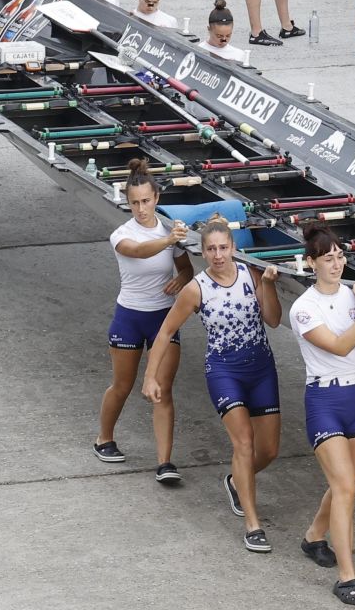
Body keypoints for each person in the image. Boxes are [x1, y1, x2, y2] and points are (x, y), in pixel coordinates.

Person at [145, 218, 285, 539]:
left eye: (223, 248)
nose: (218, 255)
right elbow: (166, 331)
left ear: (234, 248)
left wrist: (269, 285)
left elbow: (274, 320)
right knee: (244, 445)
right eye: (211, 249)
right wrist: (151, 377)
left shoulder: (251, 274)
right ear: (203, 253)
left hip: (261, 369)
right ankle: (253, 525)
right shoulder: (196, 289)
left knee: (269, 451)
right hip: (224, 372)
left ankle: (236, 481)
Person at [289, 228, 355, 605]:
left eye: (340, 255)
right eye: (328, 258)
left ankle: (314, 536)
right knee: (346, 488)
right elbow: (338, 346)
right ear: (311, 262)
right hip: (325, 402)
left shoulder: (352, 295)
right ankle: (347, 577)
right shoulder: (303, 307)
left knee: (342, 486)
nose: (337, 264)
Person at [95, 160, 194, 468]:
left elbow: (186, 267)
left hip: (163, 319)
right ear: (128, 202)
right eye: (135, 202)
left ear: (156, 199)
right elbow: (138, 252)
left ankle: (165, 462)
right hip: (129, 318)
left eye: (146, 201)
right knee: (122, 385)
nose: (141, 208)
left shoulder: (169, 230)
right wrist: (169, 240)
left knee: (163, 390)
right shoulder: (122, 234)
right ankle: (104, 438)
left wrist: (183, 277)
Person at [201, 0, 251, 66]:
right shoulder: (200, 50)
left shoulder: (239, 55)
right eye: (219, 36)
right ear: (209, 30)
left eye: (228, 36)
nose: (224, 40)